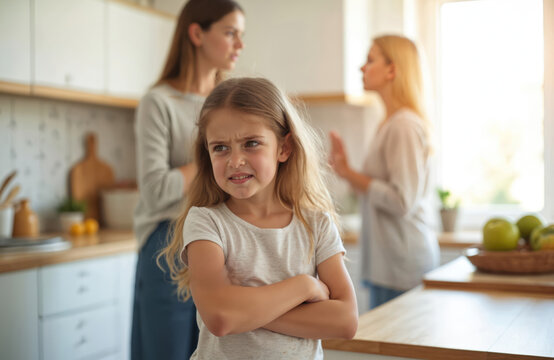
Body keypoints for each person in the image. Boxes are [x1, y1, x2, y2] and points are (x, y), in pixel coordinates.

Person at [160, 77, 358, 359]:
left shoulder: (316, 224)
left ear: (284, 148)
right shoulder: (205, 223)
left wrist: (245, 311)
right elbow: (220, 318)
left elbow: (346, 320)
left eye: (251, 143)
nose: (235, 160)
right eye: (220, 147)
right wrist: (305, 286)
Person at [131, 1, 245, 359]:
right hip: (168, 244)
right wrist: (212, 154)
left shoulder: (230, 102)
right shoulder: (158, 103)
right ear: (197, 33)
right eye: (230, 33)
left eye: (241, 36)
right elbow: (156, 192)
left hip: (226, 241)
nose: (239, 45)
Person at [328, 35, 439, 309]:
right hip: (389, 264)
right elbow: (379, 192)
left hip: (402, 267)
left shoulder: (403, 125)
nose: (362, 68)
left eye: (370, 60)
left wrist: (351, 173)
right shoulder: (390, 123)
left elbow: (402, 201)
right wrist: (345, 172)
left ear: (392, 70)